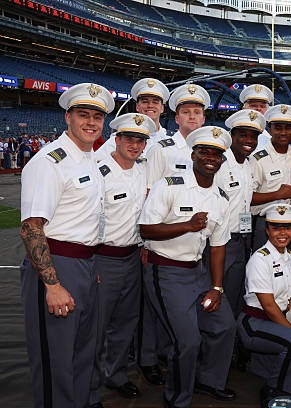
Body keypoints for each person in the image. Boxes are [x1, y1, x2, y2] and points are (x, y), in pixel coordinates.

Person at [20, 82, 114, 408]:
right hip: (56, 265)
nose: (91, 122)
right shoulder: (50, 161)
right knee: (55, 359)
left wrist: (90, 266)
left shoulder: (88, 158)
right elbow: (32, 227)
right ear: (68, 117)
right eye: (83, 115)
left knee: (83, 351)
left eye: (97, 117)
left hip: (85, 264)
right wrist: (53, 284)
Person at [138, 126, 236, 407]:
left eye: (217, 154)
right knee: (188, 341)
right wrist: (187, 225)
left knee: (224, 325)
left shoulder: (221, 198)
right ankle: (178, 399)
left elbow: (218, 246)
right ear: (193, 154)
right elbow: (146, 229)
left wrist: (216, 288)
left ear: (221, 160)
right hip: (165, 272)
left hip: (199, 274)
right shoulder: (168, 185)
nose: (210, 158)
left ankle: (209, 381)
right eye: (204, 151)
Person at [89, 113, 155, 406]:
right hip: (103, 258)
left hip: (131, 256)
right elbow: (88, 220)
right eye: (129, 138)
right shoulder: (98, 171)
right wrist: (92, 262)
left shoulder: (141, 171)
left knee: (126, 323)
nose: (135, 145)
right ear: (116, 139)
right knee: (95, 328)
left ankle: (115, 375)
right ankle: (89, 389)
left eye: (140, 140)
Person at [237, 203, 291, 408]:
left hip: (276, 323)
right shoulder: (260, 259)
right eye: (276, 227)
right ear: (267, 230)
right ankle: (272, 390)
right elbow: (268, 305)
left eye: (287, 227)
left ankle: (256, 361)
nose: (282, 233)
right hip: (255, 323)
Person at [215, 108, 266, 318]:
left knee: (235, 294)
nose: (249, 141)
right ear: (232, 136)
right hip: (219, 241)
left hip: (240, 239)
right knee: (218, 293)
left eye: (253, 136)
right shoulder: (219, 162)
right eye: (243, 134)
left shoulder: (246, 163)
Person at [251, 104, 291, 251]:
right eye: (278, 128)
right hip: (265, 222)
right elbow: (247, 197)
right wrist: (277, 195)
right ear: (269, 130)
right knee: (262, 266)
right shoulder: (258, 159)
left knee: (288, 267)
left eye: (288, 127)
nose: (283, 132)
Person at [146, 83, 210, 188]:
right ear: (177, 119)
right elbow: (150, 191)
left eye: (197, 112)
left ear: (203, 119)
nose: (192, 117)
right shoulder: (160, 150)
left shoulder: (210, 152)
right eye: (186, 112)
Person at [95, 78, 171, 161]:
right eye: (145, 101)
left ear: (162, 108)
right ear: (137, 107)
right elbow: (96, 163)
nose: (150, 105)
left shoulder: (171, 139)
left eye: (155, 102)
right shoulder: (121, 138)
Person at [239, 83, 274, 151]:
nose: (258, 109)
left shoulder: (271, 141)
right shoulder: (230, 137)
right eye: (253, 105)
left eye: (262, 106)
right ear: (244, 109)